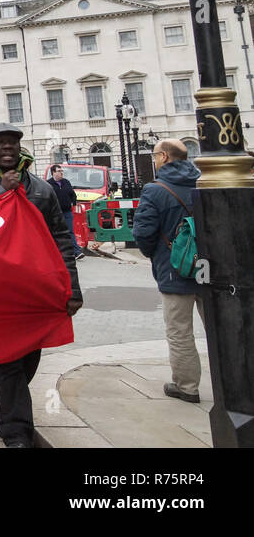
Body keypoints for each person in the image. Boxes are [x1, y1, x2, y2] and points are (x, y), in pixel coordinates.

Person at [0, 123, 82, 448]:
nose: (7, 148)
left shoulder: (41, 188)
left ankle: (9, 410)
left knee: (28, 357)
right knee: (8, 357)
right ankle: (16, 432)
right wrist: (0, 192)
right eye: (0, 144)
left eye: (12, 143)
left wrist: (72, 287)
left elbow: (61, 238)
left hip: (32, 289)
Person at [131, 140, 203, 404]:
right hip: (209, 268)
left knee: (180, 331)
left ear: (163, 156)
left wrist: (157, 255)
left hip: (175, 269)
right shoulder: (204, 183)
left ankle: (187, 386)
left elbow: (143, 233)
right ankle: (229, 384)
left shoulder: (155, 190)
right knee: (218, 330)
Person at [49, 165, 79, 244]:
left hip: (67, 212)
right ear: (53, 173)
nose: (61, 173)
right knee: (57, 233)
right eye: (59, 171)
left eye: (62, 171)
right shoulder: (48, 184)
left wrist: (74, 203)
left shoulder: (66, 182)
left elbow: (73, 194)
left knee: (70, 232)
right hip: (55, 214)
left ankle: (76, 251)